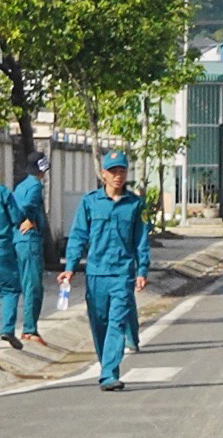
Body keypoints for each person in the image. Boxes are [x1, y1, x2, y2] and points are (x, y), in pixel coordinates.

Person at [59, 152, 151, 391]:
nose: (118, 176)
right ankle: (105, 364)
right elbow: (78, 235)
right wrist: (70, 268)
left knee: (117, 322)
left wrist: (142, 270)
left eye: (121, 171)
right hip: (96, 274)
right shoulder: (90, 202)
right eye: (112, 172)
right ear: (103, 175)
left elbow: (141, 240)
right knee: (99, 323)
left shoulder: (135, 204)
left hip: (122, 274)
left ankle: (109, 373)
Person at [3, 152, 49, 346]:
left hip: (17, 241)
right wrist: (29, 220)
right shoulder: (35, 186)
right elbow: (25, 207)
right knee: (33, 285)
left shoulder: (20, 185)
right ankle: (30, 329)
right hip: (29, 241)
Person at [0, 182, 20, 350]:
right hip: (2, 249)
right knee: (10, 290)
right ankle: (7, 328)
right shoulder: (3, 193)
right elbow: (17, 217)